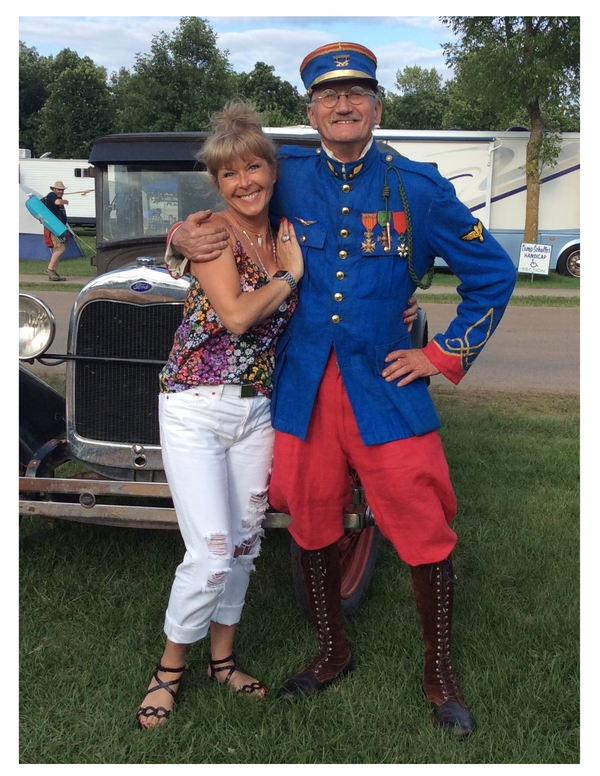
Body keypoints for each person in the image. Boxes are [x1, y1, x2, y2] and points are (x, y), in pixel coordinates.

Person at [166, 42, 516, 739]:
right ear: (312, 110)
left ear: (377, 107)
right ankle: (332, 652)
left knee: (423, 522)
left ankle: (439, 672)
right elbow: (229, 210)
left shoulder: (419, 186)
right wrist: (181, 234)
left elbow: (493, 275)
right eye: (330, 96)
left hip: (384, 386)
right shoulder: (287, 175)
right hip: (301, 390)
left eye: (358, 94)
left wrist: (443, 356)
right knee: (311, 517)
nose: (344, 105)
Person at [136, 102, 306, 728]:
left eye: (254, 167)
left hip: (255, 410)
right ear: (216, 184)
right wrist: (290, 278)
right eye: (230, 174)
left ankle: (224, 659)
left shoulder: (284, 229)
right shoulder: (211, 232)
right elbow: (236, 316)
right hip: (195, 408)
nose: (245, 182)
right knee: (209, 551)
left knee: (243, 543)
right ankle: (169, 667)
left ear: (271, 169)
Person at [44, 181, 69, 281]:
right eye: (59, 189)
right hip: (54, 228)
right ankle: (49, 269)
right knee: (60, 249)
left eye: (62, 190)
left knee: (57, 250)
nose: (61, 191)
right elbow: (57, 202)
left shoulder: (57, 197)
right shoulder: (51, 195)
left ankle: (53, 273)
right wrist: (65, 201)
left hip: (59, 228)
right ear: (54, 189)